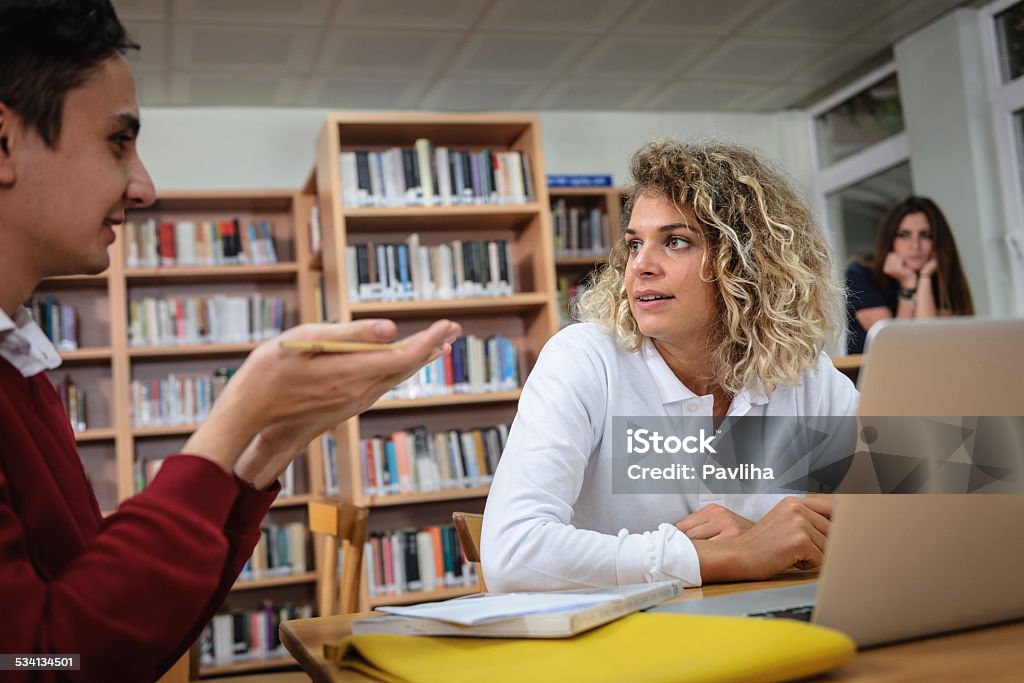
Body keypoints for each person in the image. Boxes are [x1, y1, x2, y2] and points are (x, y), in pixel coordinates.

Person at [0, 2, 459, 680]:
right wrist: (237, 412)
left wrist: (264, 449)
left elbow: (125, 628)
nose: (144, 186)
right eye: (117, 142)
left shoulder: (23, 369)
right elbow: (43, 656)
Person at [481, 140, 858, 592]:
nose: (640, 266)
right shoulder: (583, 360)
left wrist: (784, 540)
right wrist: (725, 555)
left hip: (765, 632)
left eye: (675, 242)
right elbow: (512, 554)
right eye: (634, 244)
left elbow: (913, 515)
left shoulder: (803, 372)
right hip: (625, 646)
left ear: (747, 263)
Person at [845, 196, 974, 354]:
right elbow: (895, 347)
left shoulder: (940, 279)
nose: (915, 246)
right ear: (890, 239)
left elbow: (929, 342)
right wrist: (908, 285)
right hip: (874, 375)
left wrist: (925, 278)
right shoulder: (860, 274)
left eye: (925, 235)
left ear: (938, 241)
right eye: (904, 234)